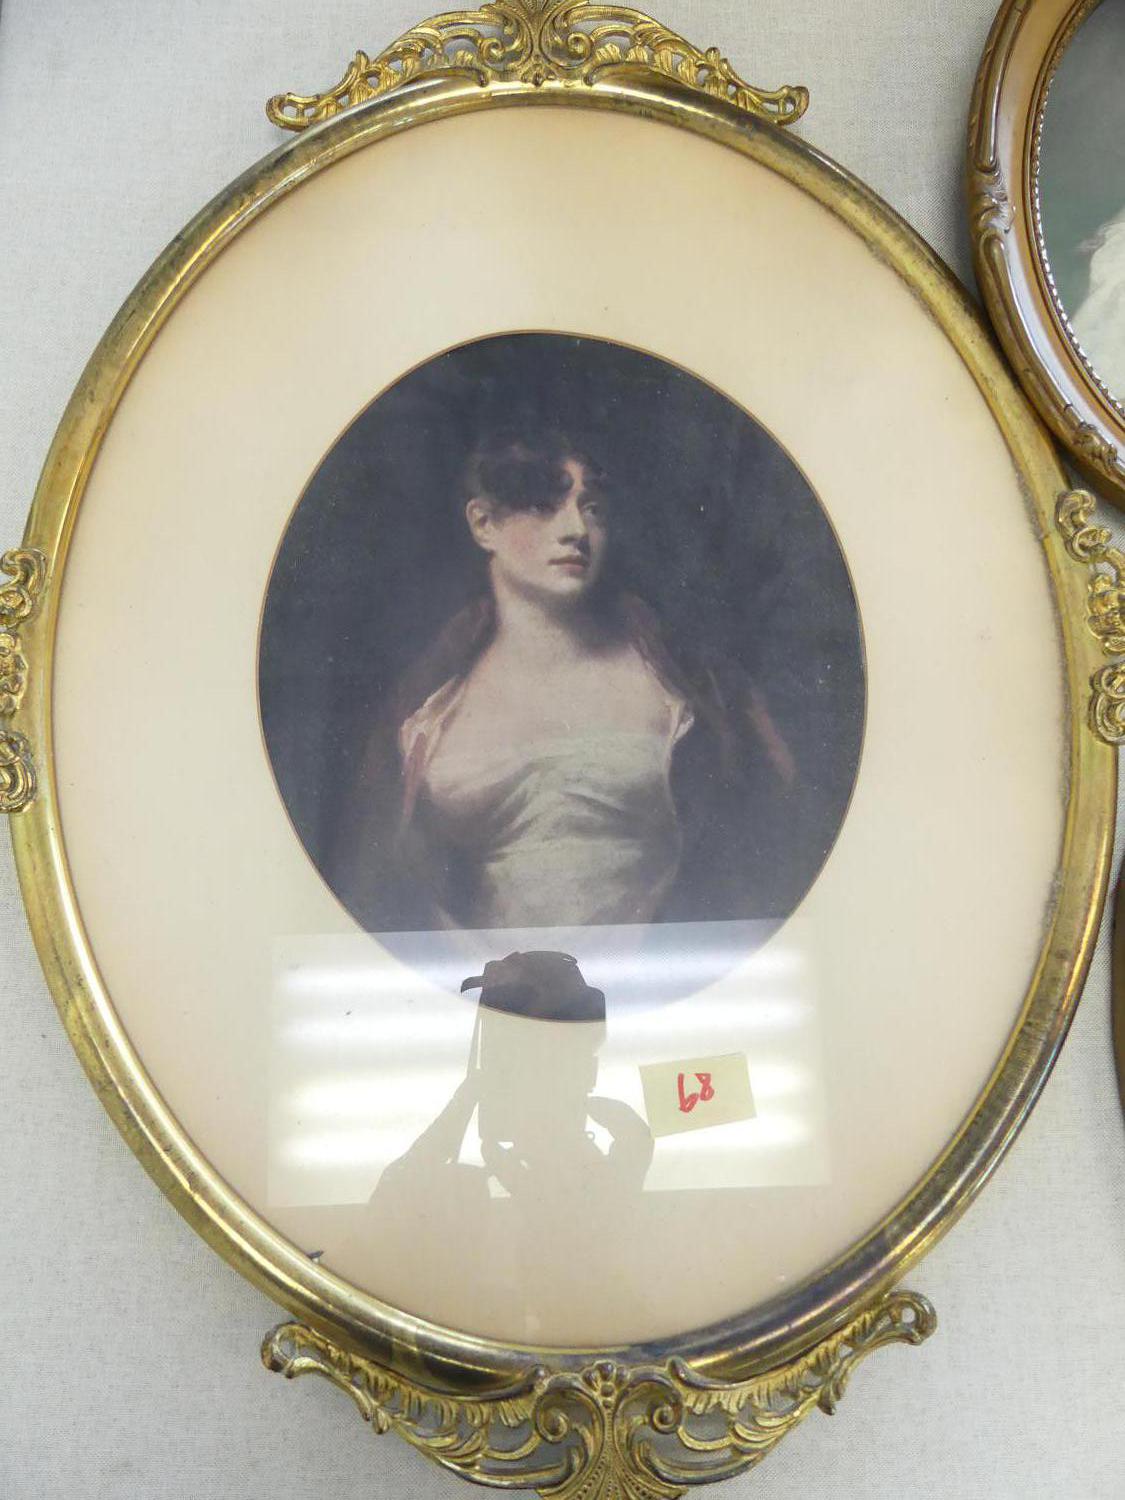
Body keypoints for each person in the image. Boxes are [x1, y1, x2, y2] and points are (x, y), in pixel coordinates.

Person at [338, 424, 799, 937]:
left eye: (593, 509)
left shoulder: (683, 684)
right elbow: (383, 883)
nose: (576, 529)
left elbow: (760, 846)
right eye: (544, 507)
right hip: (479, 979)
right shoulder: (428, 709)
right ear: (483, 524)